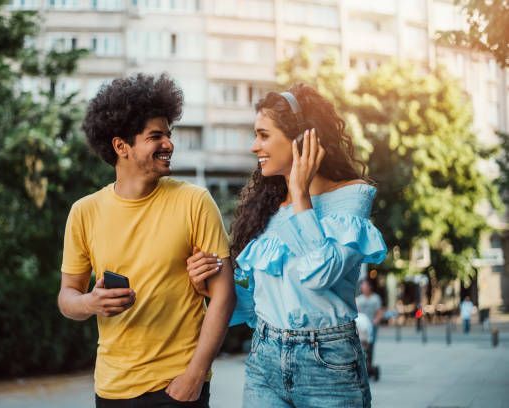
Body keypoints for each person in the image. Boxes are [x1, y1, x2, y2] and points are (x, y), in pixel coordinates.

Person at [187, 84, 387, 407]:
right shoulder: (266, 204)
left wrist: (300, 195)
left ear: (300, 139)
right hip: (264, 362)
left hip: (329, 368)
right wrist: (209, 282)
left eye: (263, 135)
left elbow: (321, 273)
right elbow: (256, 304)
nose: (254, 147)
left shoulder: (352, 196)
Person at [58, 73, 236, 407]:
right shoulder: (84, 212)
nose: (168, 144)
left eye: (169, 134)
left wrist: (195, 376)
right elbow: (67, 296)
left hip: (178, 385)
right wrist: (89, 303)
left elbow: (224, 295)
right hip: (112, 388)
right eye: (156, 136)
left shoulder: (195, 202)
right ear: (121, 146)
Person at [356, 279, 384, 345]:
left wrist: (376, 320)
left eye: (364, 285)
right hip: (362, 326)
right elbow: (357, 311)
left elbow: (379, 311)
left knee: (371, 343)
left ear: (369, 286)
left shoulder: (376, 298)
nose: (362, 287)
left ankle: (369, 355)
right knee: (362, 343)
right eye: (361, 286)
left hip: (372, 324)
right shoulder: (359, 299)